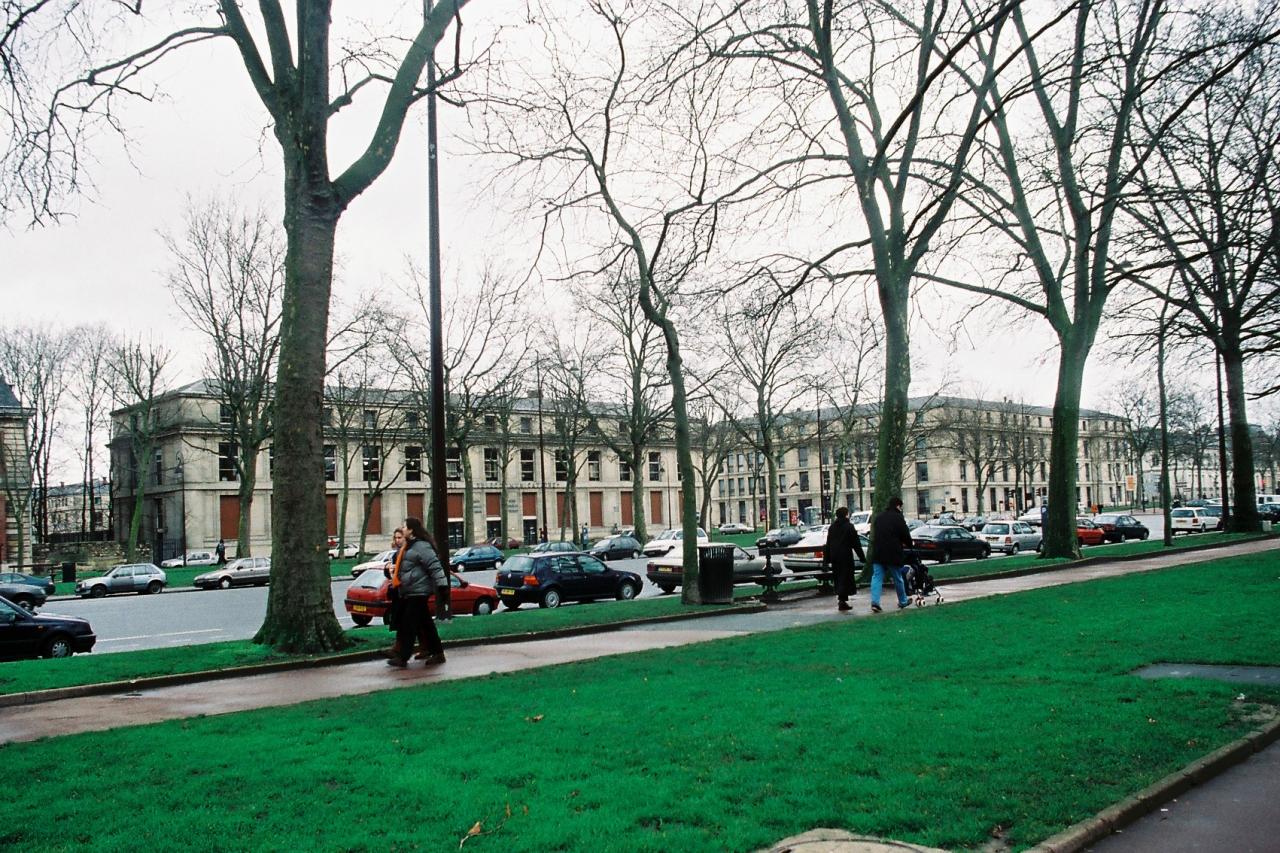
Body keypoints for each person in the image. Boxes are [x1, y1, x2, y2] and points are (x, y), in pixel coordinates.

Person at [386, 517, 447, 668]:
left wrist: (442, 585)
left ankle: (403, 656)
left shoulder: (422, 547)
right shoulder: (408, 546)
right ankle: (438, 653)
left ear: (411, 530)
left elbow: (434, 566)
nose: (403, 529)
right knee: (426, 624)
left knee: (409, 624)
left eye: (405, 527)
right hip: (410, 591)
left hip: (418, 591)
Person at [868, 496, 913, 613]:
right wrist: (910, 544)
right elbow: (905, 534)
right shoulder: (898, 517)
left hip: (878, 552)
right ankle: (903, 601)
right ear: (898, 506)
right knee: (898, 577)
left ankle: (875, 602)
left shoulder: (879, 517)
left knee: (876, 577)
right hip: (893, 552)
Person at [823, 506, 866, 612]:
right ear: (846, 515)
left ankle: (842, 599)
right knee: (846, 578)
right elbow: (856, 543)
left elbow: (828, 543)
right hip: (845, 556)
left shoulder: (832, 527)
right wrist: (862, 557)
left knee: (839, 577)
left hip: (835, 556)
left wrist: (826, 560)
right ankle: (842, 600)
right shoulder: (849, 526)